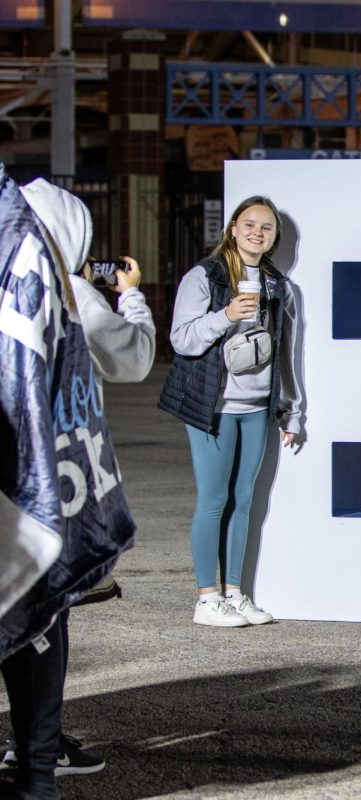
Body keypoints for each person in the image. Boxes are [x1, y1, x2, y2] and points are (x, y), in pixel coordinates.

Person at [0, 180, 157, 783]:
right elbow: (134, 358)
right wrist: (133, 296)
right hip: (51, 484)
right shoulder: (69, 298)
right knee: (45, 614)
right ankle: (36, 752)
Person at [157, 196, 302, 628]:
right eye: (250, 224)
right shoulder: (205, 275)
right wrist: (225, 315)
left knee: (244, 501)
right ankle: (206, 598)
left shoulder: (279, 285)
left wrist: (290, 410)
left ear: (275, 237)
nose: (258, 232)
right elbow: (182, 339)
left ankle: (235, 594)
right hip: (213, 405)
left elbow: (287, 353)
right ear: (233, 228)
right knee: (214, 499)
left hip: (257, 406)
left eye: (268, 228)